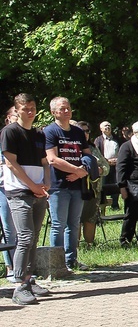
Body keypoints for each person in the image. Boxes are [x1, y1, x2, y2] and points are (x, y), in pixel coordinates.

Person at [2, 93, 52, 304]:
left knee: (34, 237)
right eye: (25, 109)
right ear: (17, 110)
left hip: (39, 192)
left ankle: (29, 279)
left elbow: (45, 162)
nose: (30, 112)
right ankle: (19, 284)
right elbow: (11, 164)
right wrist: (32, 186)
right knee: (24, 237)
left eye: (32, 108)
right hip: (19, 192)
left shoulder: (39, 134)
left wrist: (46, 183)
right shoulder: (10, 132)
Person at [44, 96, 92, 271]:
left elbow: (87, 154)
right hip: (58, 185)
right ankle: (55, 264)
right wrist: (76, 170)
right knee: (59, 224)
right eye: (62, 108)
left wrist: (83, 170)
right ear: (53, 112)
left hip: (77, 184)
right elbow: (52, 159)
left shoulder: (78, 132)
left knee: (74, 224)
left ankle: (71, 260)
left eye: (68, 108)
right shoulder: (50, 131)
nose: (66, 111)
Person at [76, 121, 109, 247]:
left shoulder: (93, 148)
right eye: (82, 131)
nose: (85, 134)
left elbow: (106, 166)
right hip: (78, 190)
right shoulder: (72, 148)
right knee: (77, 219)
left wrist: (100, 170)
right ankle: (76, 247)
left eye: (87, 131)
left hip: (94, 190)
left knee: (91, 219)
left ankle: (90, 245)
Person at [1, 106, 18, 275]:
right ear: (8, 119)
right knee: (9, 228)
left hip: (20, 186)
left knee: (21, 229)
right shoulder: (3, 137)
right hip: (2, 187)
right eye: (15, 115)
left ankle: (21, 266)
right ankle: (10, 267)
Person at [94, 121, 120, 210]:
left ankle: (115, 205)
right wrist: (106, 161)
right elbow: (97, 153)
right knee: (103, 186)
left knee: (116, 184)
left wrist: (118, 160)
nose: (107, 127)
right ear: (101, 129)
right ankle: (102, 206)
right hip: (104, 166)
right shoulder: (98, 140)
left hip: (116, 166)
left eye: (109, 126)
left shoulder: (116, 139)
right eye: (105, 126)